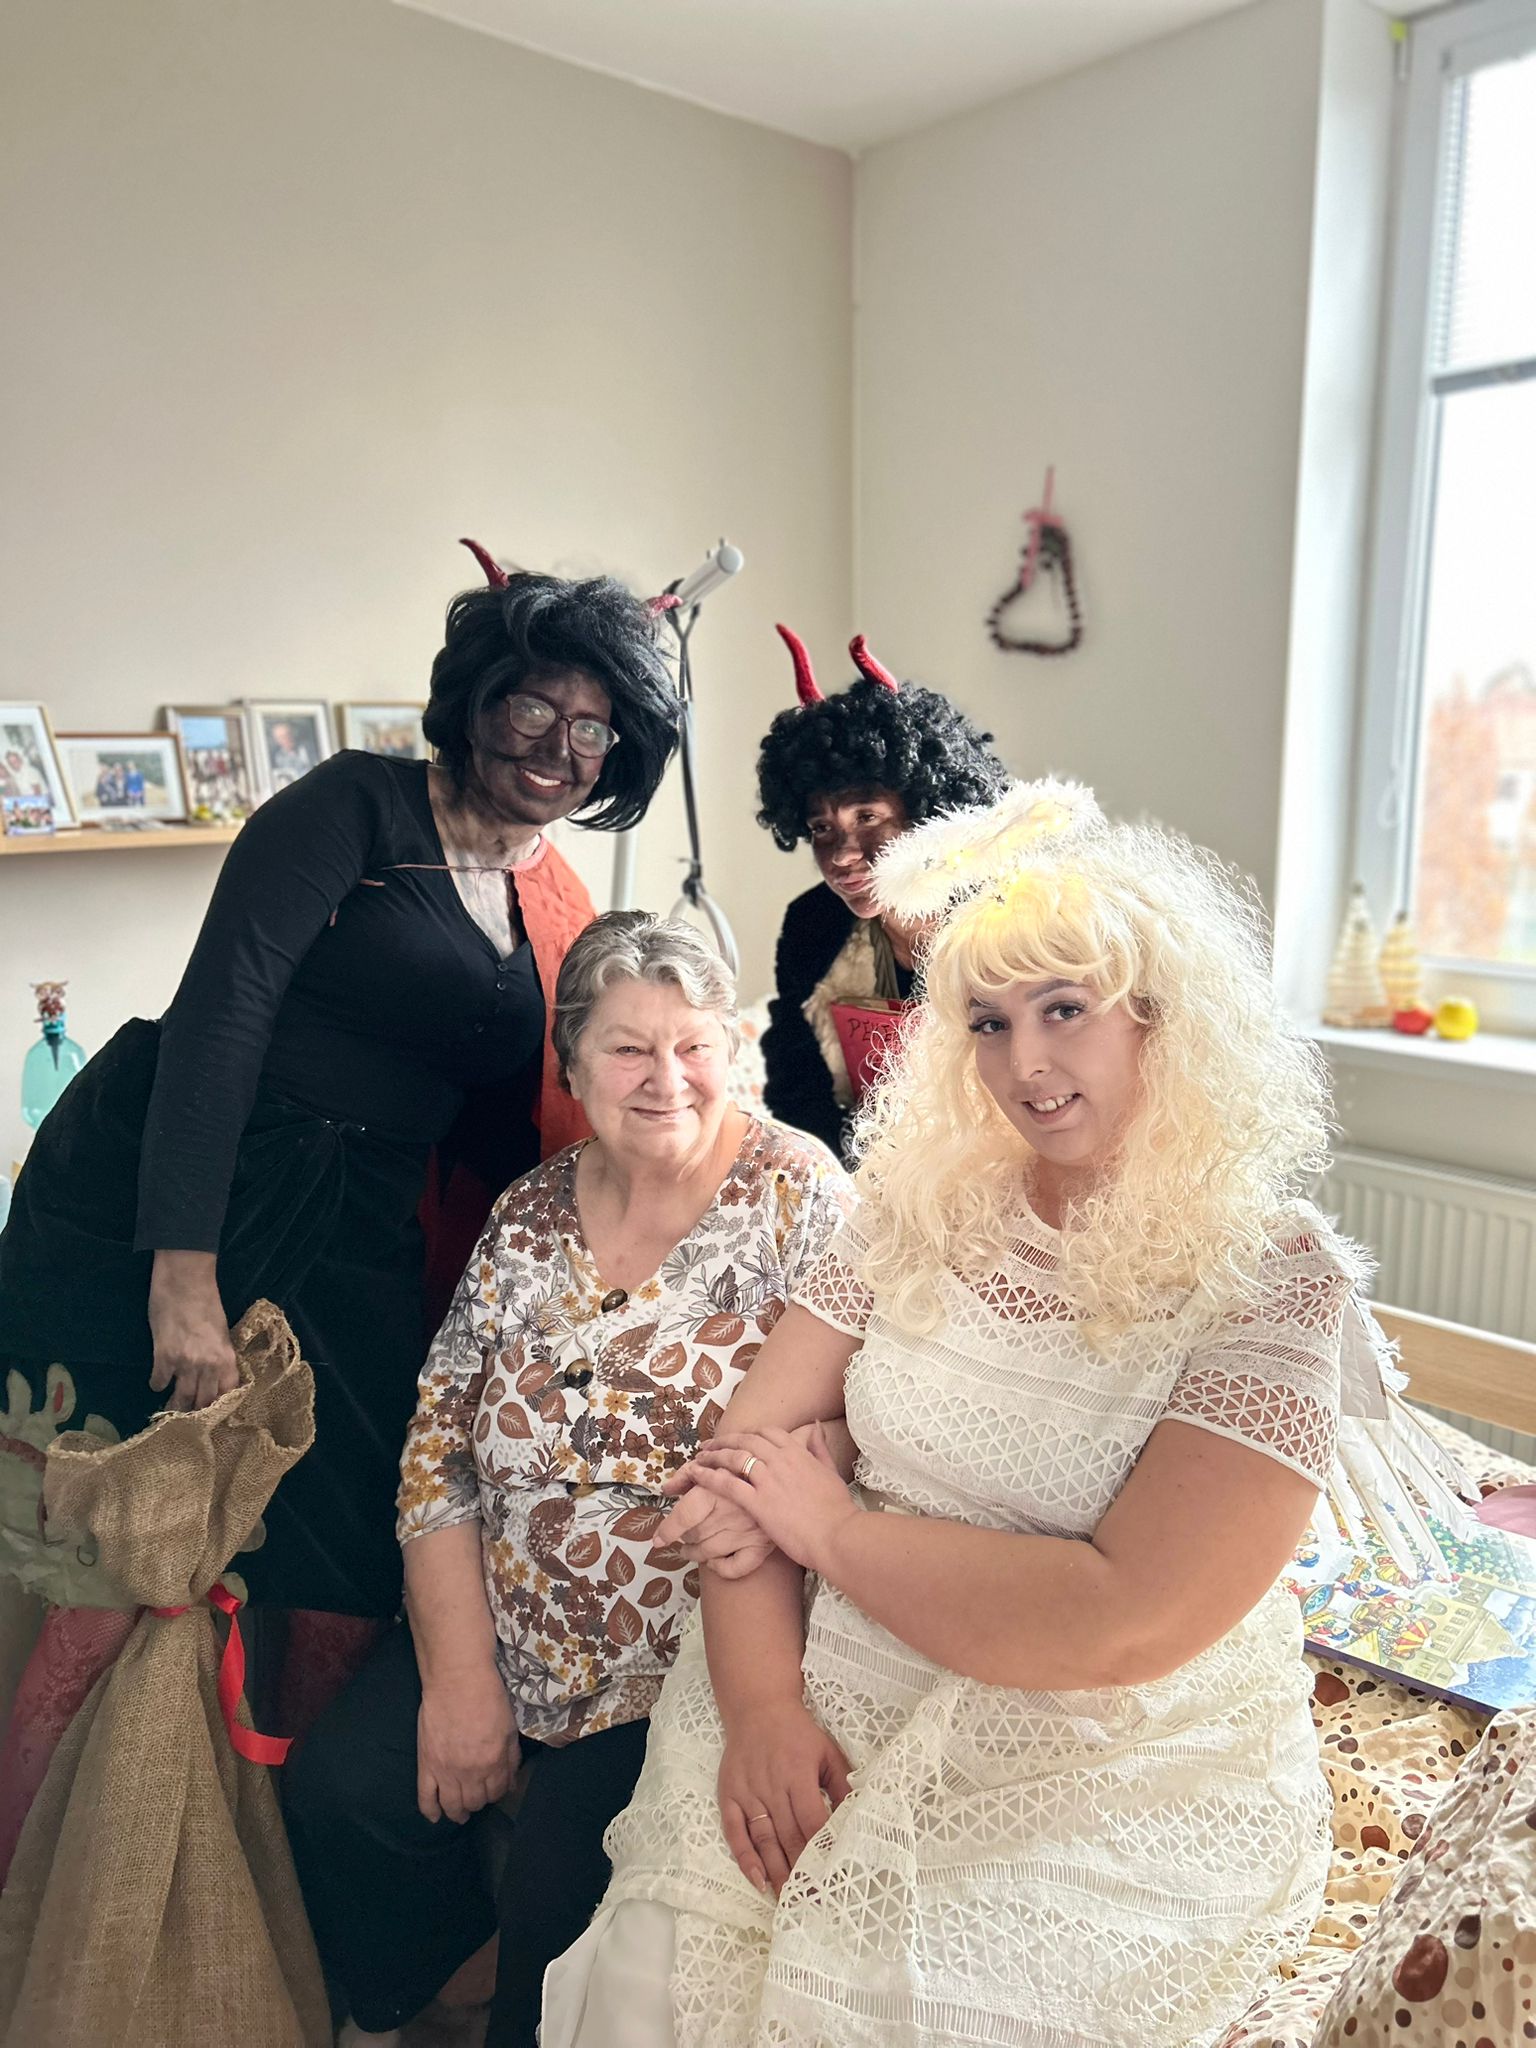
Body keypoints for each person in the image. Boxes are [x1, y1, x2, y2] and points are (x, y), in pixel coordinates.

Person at [544, 780, 1467, 2048]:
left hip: (1093, 1752)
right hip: (819, 1677)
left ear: (1160, 1016)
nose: (1024, 1062)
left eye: (1064, 1009)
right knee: (655, 1977)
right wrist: (760, 1709)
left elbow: (1120, 1614)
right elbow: (739, 1467)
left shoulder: (1271, 1276)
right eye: (987, 1021)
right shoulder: (917, 1201)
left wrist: (830, 1522)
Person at [0, 544, 680, 1870]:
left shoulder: (542, 891)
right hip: (209, 1191)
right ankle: (34, 1890)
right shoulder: (353, 808)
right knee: (124, 1575)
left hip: (362, 1230)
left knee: (347, 1572)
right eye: (531, 707)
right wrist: (181, 1275)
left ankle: (277, 1888)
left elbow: (512, 1118)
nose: (557, 747)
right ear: (475, 700)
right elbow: (218, 1021)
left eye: (593, 727)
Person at [283, 911, 854, 2048]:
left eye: (693, 1045)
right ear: (573, 1064)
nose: (666, 1078)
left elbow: (869, 1416)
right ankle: (446, 1982)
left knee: (557, 1926)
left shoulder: (802, 1196)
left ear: (735, 1049)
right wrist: (461, 1678)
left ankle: (504, 1996)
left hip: (676, 1662)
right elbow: (439, 1447)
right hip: (504, 1623)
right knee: (338, 1794)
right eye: (628, 1048)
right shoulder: (529, 1213)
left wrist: (804, 1461)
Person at [756, 625, 1008, 1158]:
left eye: (867, 817)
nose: (842, 854)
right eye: (821, 828)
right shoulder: (811, 925)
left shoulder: (1010, 915)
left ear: (927, 811)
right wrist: (852, 1179)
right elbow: (797, 1087)